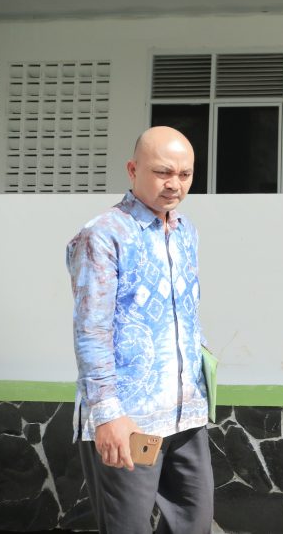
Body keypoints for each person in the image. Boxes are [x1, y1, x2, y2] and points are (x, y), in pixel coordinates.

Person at [67, 125, 213, 534]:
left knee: (193, 525)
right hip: (129, 419)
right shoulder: (103, 234)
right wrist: (108, 415)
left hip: (185, 416)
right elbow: (90, 330)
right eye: (163, 172)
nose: (175, 184)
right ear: (132, 170)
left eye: (185, 175)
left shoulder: (186, 232)